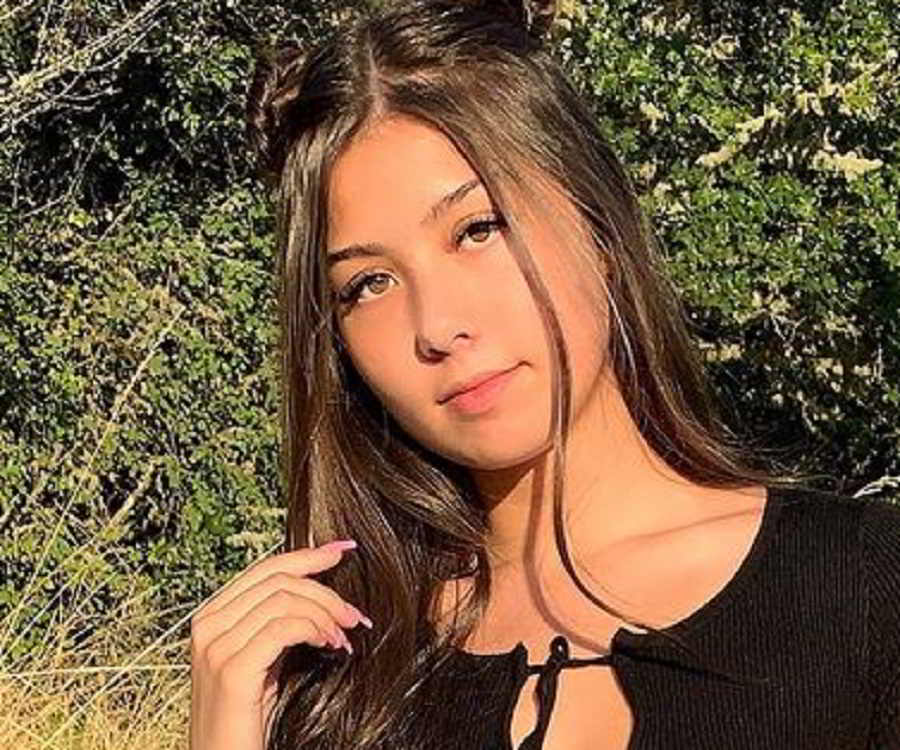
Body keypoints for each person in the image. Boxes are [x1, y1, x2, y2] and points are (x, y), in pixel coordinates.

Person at [189, 1, 900, 748]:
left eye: (478, 229)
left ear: (598, 226)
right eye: (370, 284)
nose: (437, 327)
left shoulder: (864, 590)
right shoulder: (330, 670)